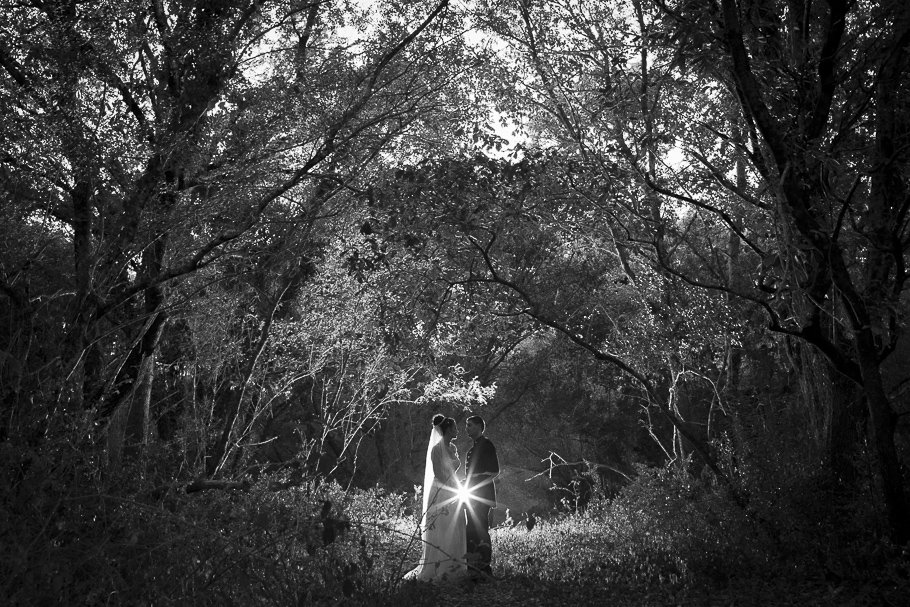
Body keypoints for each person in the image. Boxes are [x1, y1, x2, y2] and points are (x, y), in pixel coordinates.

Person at [404, 414, 467, 582]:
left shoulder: (452, 447)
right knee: (442, 526)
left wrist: (456, 484)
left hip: (454, 488)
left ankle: (456, 566)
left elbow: (453, 469)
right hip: (441, 490)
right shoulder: (436, 449)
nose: (457, 430)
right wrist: (452, 484)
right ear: (447, 430)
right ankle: (440, 567)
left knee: (456, 524)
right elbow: (439, 473)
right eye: (454, 428)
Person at [463, 414, 500, 579]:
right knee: (471, 529)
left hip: (482, 495)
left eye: (470, 425)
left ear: (479, 426)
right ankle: (472, 567)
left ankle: (485, 568)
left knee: (481, 530)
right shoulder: (472, 449)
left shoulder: (486, 445)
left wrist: (476, 482)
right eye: (466, 425)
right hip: (470, 495)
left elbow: (494, 471)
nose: (467, 428)